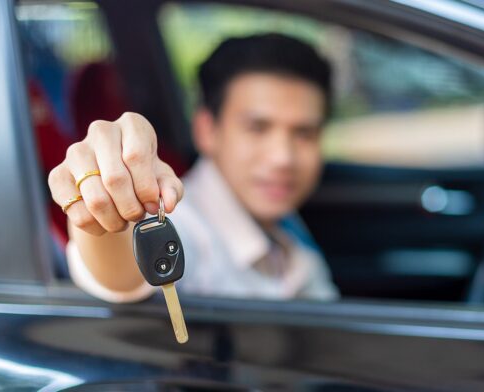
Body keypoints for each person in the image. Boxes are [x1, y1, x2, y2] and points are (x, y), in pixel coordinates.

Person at [47, 33, 339, 302]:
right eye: (257, 128)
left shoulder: (283, 219)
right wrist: (102, 191)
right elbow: (119, 275)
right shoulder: (179, 226)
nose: (283, 158)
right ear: (206, 130)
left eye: (304, 133)